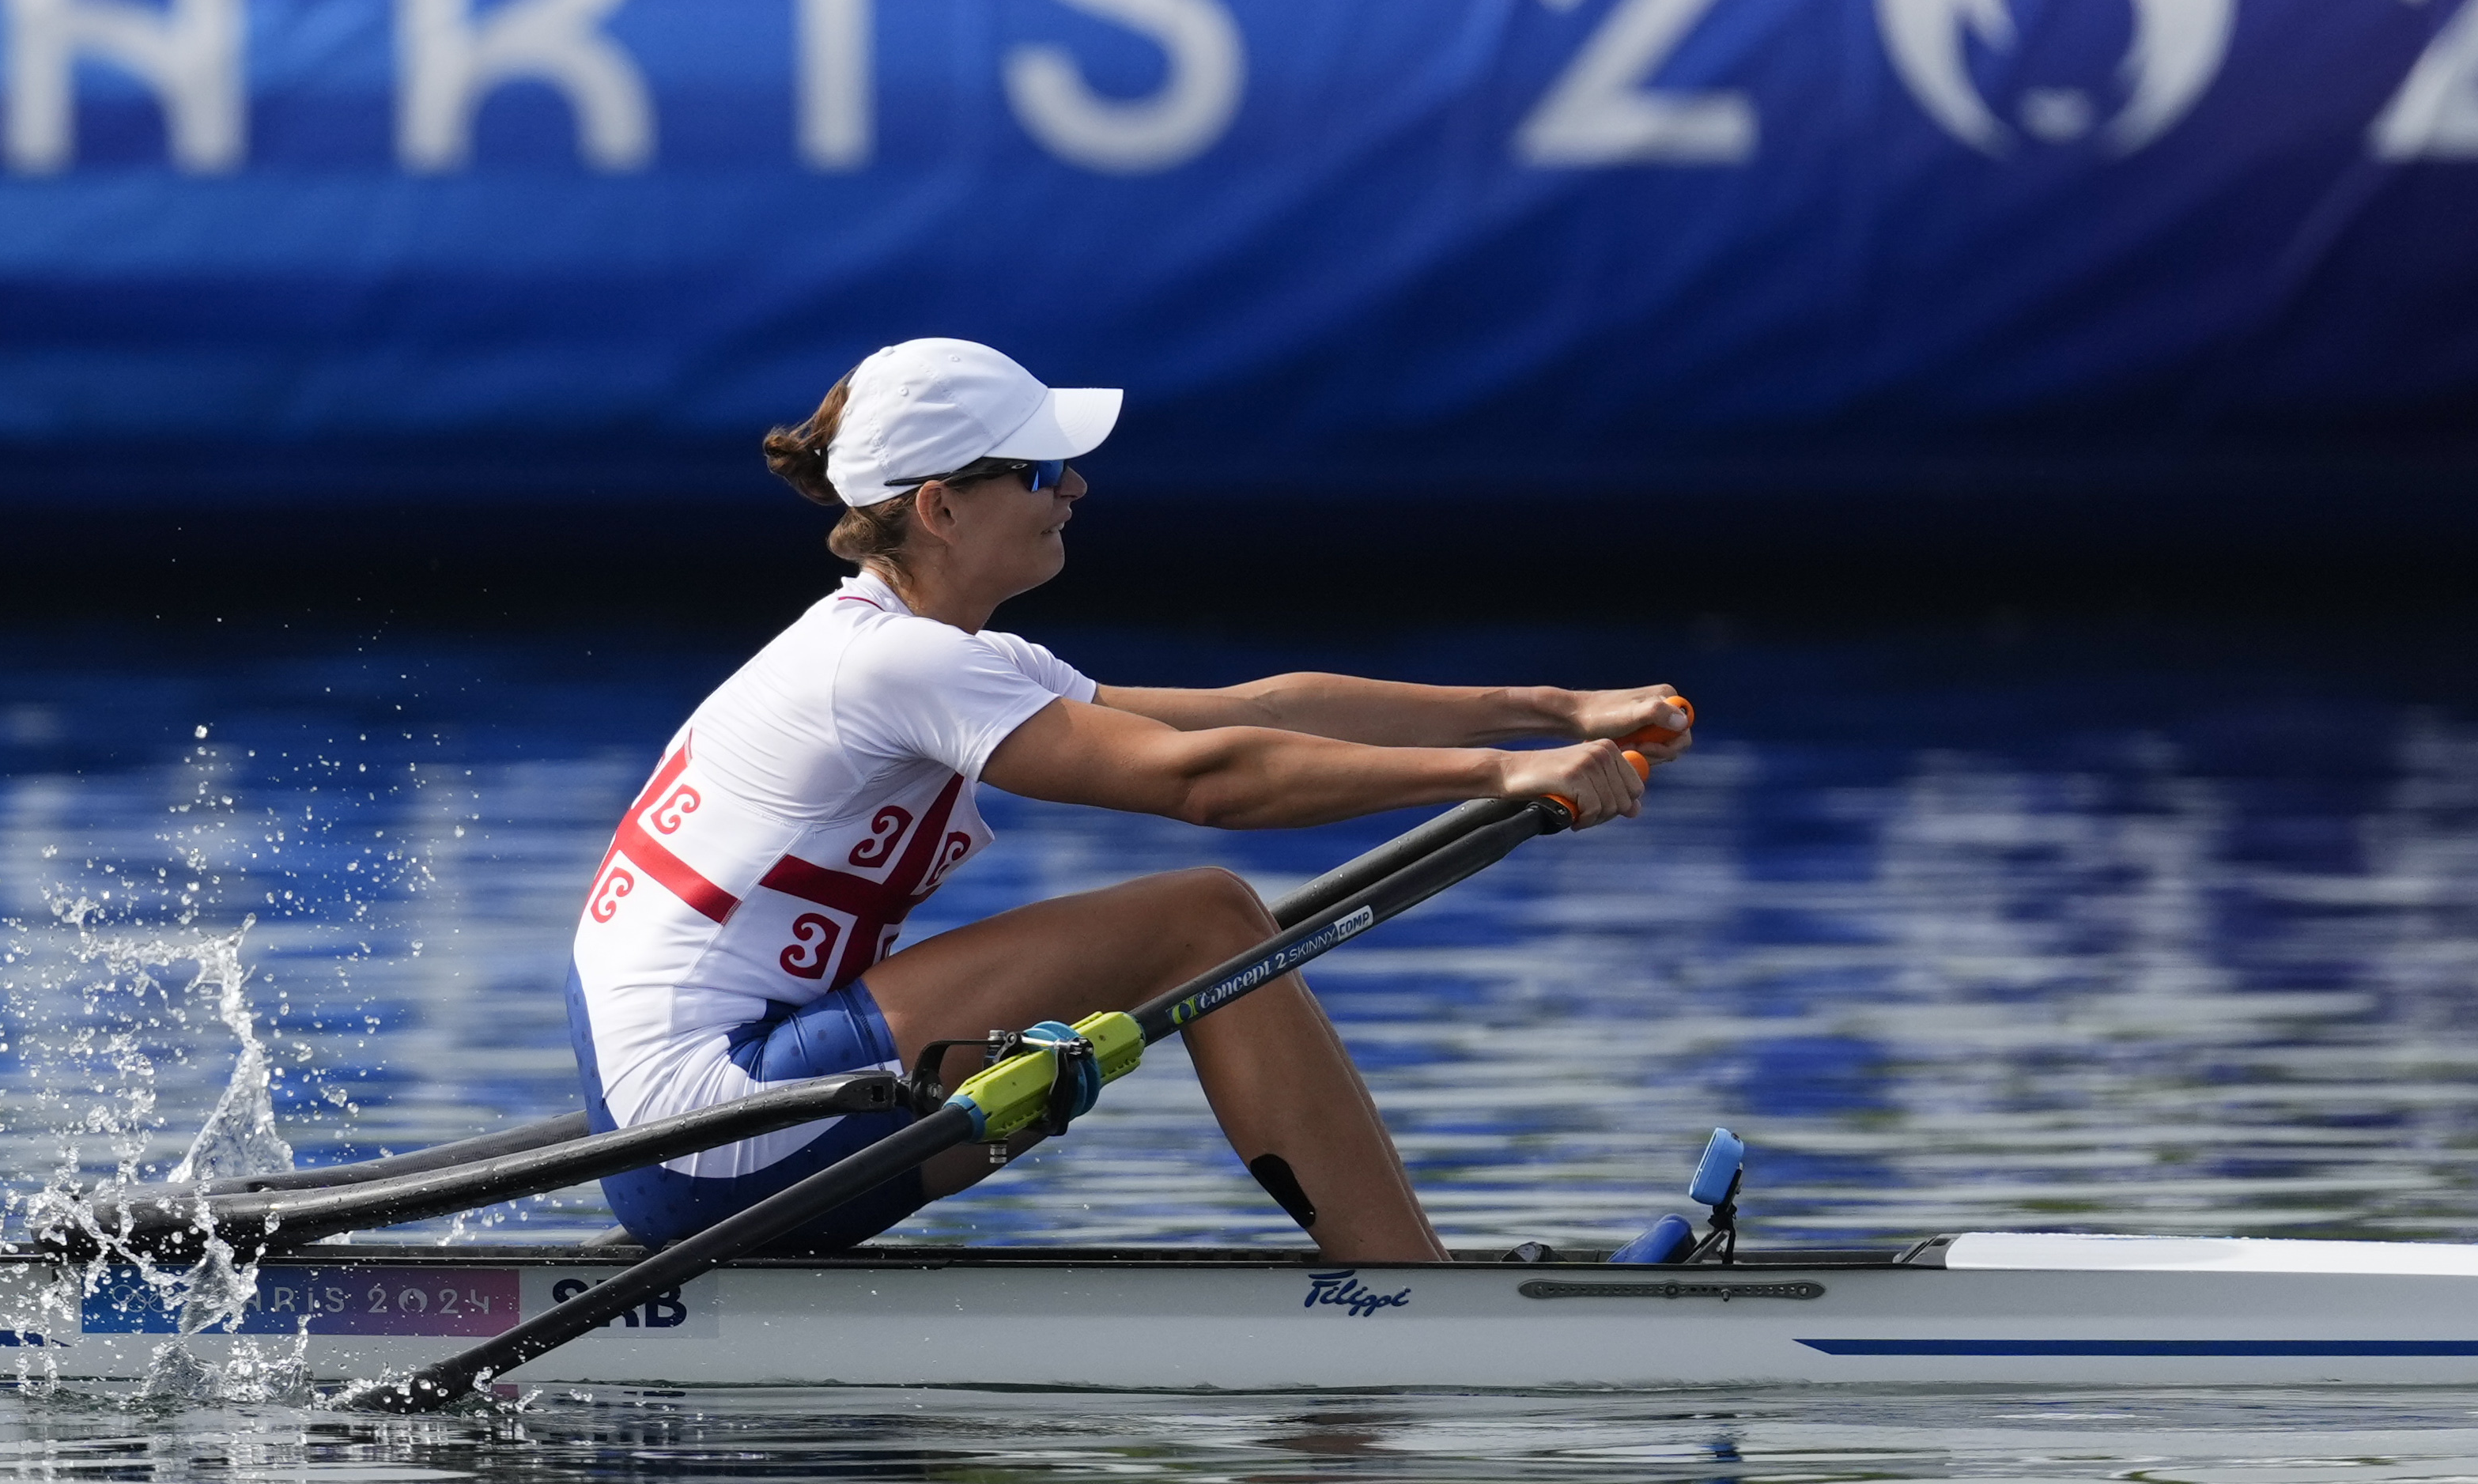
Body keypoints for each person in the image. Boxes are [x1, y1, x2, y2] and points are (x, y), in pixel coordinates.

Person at [567, 337, 1687, 1267]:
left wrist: (1555, 709)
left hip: (705, 1123)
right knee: (1202, 920)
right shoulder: (896, 667)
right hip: (707, 1133)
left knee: (1204, 938)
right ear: (942, 508)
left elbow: (1247, 713)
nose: (1078, 488)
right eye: (1044, 471)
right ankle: (1409, 1292)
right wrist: (1494, 775)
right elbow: (1202, 783)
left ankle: (1403, 1276)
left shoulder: (926, 650)